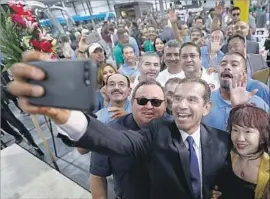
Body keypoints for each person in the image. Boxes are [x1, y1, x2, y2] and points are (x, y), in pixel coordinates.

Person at [8, 60, 231, 199]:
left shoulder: (222, 141)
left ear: (206, 107)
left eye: (192, 99)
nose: (182, 105)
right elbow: (114, 140)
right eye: (179, 98)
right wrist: (67, 115)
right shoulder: (157, 133)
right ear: (131, 102)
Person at [90, 81, 166, 199]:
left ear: (164, 105)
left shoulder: (176, 129)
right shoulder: (109, 133)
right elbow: (97, 176)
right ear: (132, 102)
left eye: (156, 102)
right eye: (142, 101)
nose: (149, 106)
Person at [213, 104, 270, 199]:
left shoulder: (267, 169)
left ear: (263, 135)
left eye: (248, 132)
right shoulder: (224, 155)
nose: (240, 138)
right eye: (235, 130)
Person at [203, 52, 269, 131]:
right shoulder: (204, 102)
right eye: (223, 64)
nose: (227, 67)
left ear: (244, 74)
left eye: (234, 65)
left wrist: (242, 107)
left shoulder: (259, 105)